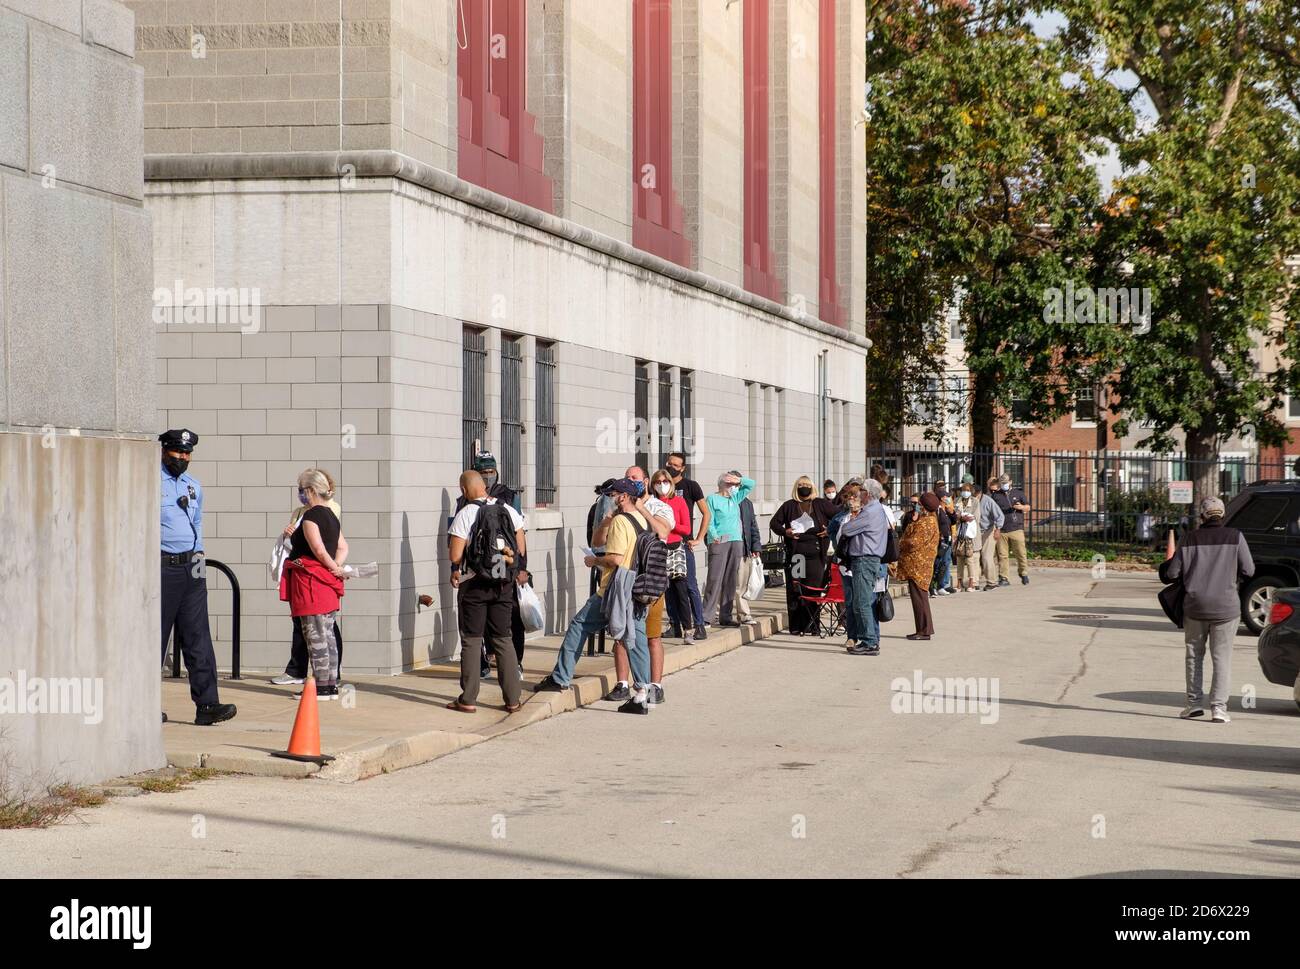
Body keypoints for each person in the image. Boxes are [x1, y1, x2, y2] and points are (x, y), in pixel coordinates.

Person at [536, 479, 653, 714]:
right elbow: (601, 541)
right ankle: (641, 693)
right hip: (638, 588)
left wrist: (594, 560)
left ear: (622, 497)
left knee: (579, 625)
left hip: (615, 589)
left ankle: (560, 677)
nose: (609, 498)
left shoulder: (621, 521)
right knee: (637, 638)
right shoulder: (642, 519)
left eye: (613, 494)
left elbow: (615, 559)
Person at [158, 429, 237, 726]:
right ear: (165, 450)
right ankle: (145, 705)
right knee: (156, 638)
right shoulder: (151, 483)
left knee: (198, 637)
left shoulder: (192, 486)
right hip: (162, 566)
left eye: (188, 453)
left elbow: (198, 521)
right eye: (178, 452)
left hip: (192, 565)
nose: (183, 458)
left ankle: (207, 705)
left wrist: (200, 554)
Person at [1159, 497, 1254, 723]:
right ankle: (1219, 708)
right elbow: (1249, 569)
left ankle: (1193, 705)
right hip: (1226, 608)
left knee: (1194, 655)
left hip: (1195, 606)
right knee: (1222, 658)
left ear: (1201, 516)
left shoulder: (1190, 539)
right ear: (1222, 515)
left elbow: (1172, 574)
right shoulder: (1235, 537)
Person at [445, 470, 526, 714]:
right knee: (503, 638)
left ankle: (468, 699)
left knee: (472, 639)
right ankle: (513, 699)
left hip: (474, 584)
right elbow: (520, 548)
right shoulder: (509, 511)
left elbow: (456, 555)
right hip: (503, 584)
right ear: (485, 487)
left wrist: (457, 569)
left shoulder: (466, 513)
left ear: (463, 490)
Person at [603, 466, 674, 706]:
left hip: (650, 581)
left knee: (650, 636)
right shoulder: (619, 510)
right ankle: (623, 683)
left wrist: (642, 509)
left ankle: (654, 686)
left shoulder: (658, 507)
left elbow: (664, 532)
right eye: (627, 478)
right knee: (623, 633)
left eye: (634, 478)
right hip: (626, 581)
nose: (629, 481)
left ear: (645, 481)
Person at [280, 469, 350, 701]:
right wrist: (336, 568)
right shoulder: (331, 515)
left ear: (310, 490)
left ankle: (320, 688)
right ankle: (329, 685)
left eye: (301, 489)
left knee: (315, 637)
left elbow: (319, 550)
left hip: (311, 582)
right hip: (327, 584)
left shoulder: (310, 518)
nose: (300, 493)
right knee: (327, 634)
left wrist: (332, 567)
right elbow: (342, 547)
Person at [769, 476, 838, 634]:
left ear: (812, 487)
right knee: (796, 590)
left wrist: (829, 530)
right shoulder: (789, 505)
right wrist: (785, 532)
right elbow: (774, 523)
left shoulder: (820, 503)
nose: (804, 487)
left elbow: (839, 515)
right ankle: (796, 626)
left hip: (816, 556)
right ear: (796, 487)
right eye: (800, 485)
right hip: (797, 556)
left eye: (807, 485)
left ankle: (813, 626)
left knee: (813, 590)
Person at [837, 479, 890, 655]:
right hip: (866, 559)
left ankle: (869, 642)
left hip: (865, 559)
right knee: (863, 601)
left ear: (867, 493)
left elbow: (847, 529)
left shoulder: (870, 511)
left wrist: (849, 523)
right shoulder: (874, 510)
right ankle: (869, 640)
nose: (858, 494)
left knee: (862, 602)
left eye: (861, 491)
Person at [664, 452, 710, 640]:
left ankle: (699, 625)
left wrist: (699, 537)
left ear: (683, 468)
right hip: (665, 544)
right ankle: (674, 624)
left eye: (676, 465)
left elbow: (705, 513)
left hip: (683, 543)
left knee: (689, 585)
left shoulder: (690, 486)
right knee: (668, 587)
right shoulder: (662, 486)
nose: (672, 467)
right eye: (669, 463)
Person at [702, 471, 756, 628]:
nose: (734, 487)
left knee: (731, 580)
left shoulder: (735, 497)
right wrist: (714, 534)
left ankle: (726, 615)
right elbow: (709, 519)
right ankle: (707, 616)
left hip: (736, 541)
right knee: (714, 578)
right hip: (719, 541)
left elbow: (751, 484)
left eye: (735, 485)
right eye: (730, 484)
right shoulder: (712, 498)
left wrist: (738, 479)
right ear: (722, 484)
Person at [654, 468, 696, 644]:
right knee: (659, 590)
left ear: (671, 483)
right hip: (657, 547)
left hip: (676, 546)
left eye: (666, 482)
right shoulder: (651, 503)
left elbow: (686, 529)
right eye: (658, 482)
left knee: (680, 589)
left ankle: (688, 629)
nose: (662, 485)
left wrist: (669, 524)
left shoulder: (678, 502)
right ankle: (670, 625)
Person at [892, 493, 941, 640]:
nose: (917, 506)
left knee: (920, 598)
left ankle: (924, 631)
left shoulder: (926, 522)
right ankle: (922, 629)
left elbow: (913, 542)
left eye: (920, 504)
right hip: (918, 566)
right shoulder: (927, 520)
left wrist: (901, 542)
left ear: (924, 506)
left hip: (918, 567)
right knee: (919, 598)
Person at [992, 472, 1032, 586]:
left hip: (1016, 528)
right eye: (1002, 483)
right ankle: (1004, 577)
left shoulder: (1018, 493)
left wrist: (1021, 507)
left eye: (1006, 482)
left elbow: (1028, 507)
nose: (1004, 484)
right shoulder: (996, 496)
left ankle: (1023, 573)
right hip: (1002, 529)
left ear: (1010, 482)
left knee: (1020, 553)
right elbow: (992, 511)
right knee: (1002, 555)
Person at [736, 479, 764, 623]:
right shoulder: (721, 501)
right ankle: (718, 612)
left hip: (744, 549)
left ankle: (743, 613)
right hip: (726, 549)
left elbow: (753, 526)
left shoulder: (747, 504)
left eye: (737, 484)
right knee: (722, 584)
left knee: (741, 585)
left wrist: (756, 546)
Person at [952, 479, 982, 592]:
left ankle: (971, 583)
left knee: (970, 559)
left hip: (970, 536)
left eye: (968, 490)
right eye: (963, 490)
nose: (965, 492)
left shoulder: (975, 502)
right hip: (959, 535)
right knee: (959, 559)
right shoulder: (957, 501)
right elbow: (954, 516)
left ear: (971, 491)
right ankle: (959, 583)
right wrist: (961, 517)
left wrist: (963, 517)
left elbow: (975, 517)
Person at [979, 477, 1006, 591]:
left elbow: (1000, 516)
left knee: (986, 557)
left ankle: (992, 582)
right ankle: (974, 581)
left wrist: (998, 529)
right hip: (976, 532)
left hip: (989, 530)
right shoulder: (969, 500)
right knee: (975, 558)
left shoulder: (988, 501)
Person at [930, 481, 954, 597]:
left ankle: (941, 585)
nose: (947, 498)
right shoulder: (937, 510)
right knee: (938, 563)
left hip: (948, 540)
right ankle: (933, 586)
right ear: (941, 498)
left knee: (945, 563)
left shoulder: (946, 509)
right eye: (945, 496)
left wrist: (951, 511)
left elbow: (953, 521)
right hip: (941, 540)